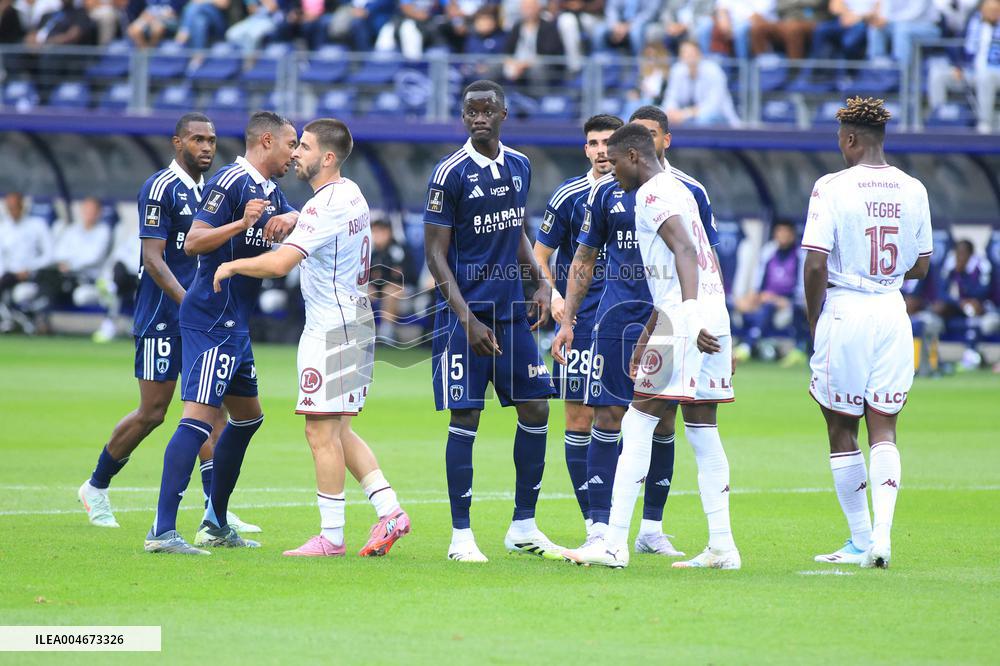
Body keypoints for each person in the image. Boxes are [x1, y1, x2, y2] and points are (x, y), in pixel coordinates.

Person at [213, 118, 411, 558]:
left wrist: (231, 266)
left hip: (331, 331)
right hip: (356, 324)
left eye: (303, 146)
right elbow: (327, 220)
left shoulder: (325, 206)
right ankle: (390, 511)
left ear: (326, 157)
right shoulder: (351, 192)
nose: (295, 152)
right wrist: (294, 214)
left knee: (320, 434)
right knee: (338, 430)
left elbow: (281, 263)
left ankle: (332, 537)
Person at [553, 105, 726, 561]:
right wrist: (660, 326)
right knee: (702, 428)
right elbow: (676, 269)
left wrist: (685, 322)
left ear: (635, 154)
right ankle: (722, 546)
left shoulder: (654, 193)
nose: (607, 166)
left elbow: (688, 251)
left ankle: (614, 544)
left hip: (686, 320)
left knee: (639, 420)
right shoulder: (672, 190)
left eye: (613, 156)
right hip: (694, 313)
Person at [77, 113, 258, 533]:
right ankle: (97, 484)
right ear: (178, 143)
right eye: (198, 139)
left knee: (209, 410)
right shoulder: (160, 188)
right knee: (154, 412)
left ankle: (216, 511)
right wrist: (190, 302)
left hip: (203, 319)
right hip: (163, 316)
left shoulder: (212, 191)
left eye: (212, 140)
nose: (207, 147)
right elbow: (153, 260)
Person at [144, 111, 299, 555]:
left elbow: (299, 223)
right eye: (291, 145)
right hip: (211, 317)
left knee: (249, 417)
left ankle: (214, 522)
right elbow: (194, 241)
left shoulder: (270, 190)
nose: (294, 154)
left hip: (236, 323)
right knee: (196, 420)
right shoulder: (230, 182)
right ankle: (162, 531)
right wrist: (242, 224)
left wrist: (292, 219)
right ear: (266, 141)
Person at [423, 80, 559, 563]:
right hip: (464, 319)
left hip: (510, 316)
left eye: (488, 110)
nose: (479, 118)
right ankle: (461, 536)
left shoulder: (519, 165)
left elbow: (516, 230)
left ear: (504, 114)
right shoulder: (449, 173)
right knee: (467, 417)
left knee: (537, 409)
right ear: (463, 118)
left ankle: (523, 525)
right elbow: (435, 255)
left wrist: (540, 281)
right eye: (471, 111)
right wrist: (467, 321)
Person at [803, 97, 932, 569]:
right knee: (885, 425)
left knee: (840, 423)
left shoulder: (832, 187)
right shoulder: (913, 188)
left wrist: (813, 319)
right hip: (892, 309)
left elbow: (815, 261)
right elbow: (921, 263)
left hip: (847, 305)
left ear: (851, 138)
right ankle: (883, 536)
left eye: (841, 138)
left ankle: (859, 538)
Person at [532, 114, 621, 542]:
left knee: (633, 416)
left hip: (631, 319)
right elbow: (539, 256)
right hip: (581, 321)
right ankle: (594, 524)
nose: (602, 149)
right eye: (594, 143)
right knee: (578, 415)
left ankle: (640, 525)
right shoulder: (569, 195)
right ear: (585, 149)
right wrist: (553, 296)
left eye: (608, 141)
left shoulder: (645, 194)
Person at [734, 220, 801, 360]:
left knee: (769, 307)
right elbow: (758, 282)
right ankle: (742, 344)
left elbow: (801, 287)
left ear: (792, 235)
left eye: (785, 232)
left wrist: (784, 300)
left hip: (789, 301)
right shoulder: (769, 251)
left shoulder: (800, 254)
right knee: (736, 305)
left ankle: (748, 345)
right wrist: (752, 297)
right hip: (766, 298)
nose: (781, 235)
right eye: (779, 231)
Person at [662, 39, 741, 127]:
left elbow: (713, 106)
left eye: (692, 53)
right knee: (659, 115)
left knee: (703, 119)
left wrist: (685, 114)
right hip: (686, 116)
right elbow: (670, 97)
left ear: (699, 54)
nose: (688, 56)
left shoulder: (713, 71)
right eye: (685, 53)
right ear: (680, 56)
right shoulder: (677, 70)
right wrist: (672, 112)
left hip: (721, 117)